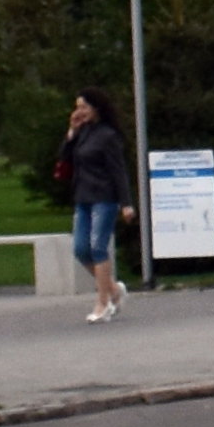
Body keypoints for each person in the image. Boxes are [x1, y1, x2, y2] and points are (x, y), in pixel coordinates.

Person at [61, 87, 131, 321]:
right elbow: (65, 158)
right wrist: (72, 131)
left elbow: (118, 171)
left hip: (104, 197)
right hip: (83, 197)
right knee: (81, 249)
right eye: (77, 107)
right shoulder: (83, 132)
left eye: (83, 107)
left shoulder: (108, 136)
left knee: (98, 248)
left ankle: (103, 303)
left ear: (96, 107)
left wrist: (126, 203)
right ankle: (114, 289)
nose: (79, 111)